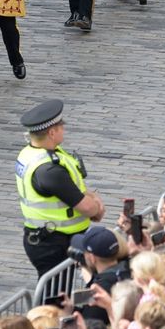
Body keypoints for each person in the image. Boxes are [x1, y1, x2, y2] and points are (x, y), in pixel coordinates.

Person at [16, 99, 106, 275]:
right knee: (54, 296)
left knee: (57, 294)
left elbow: (74, 186)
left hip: (49, 238)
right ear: (52, 132)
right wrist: (96, 207)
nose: (63, 129)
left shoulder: (34, 153)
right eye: (61, 126)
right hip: (53, 243)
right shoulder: (49, 169)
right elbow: (86, 207)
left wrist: (91, 198)